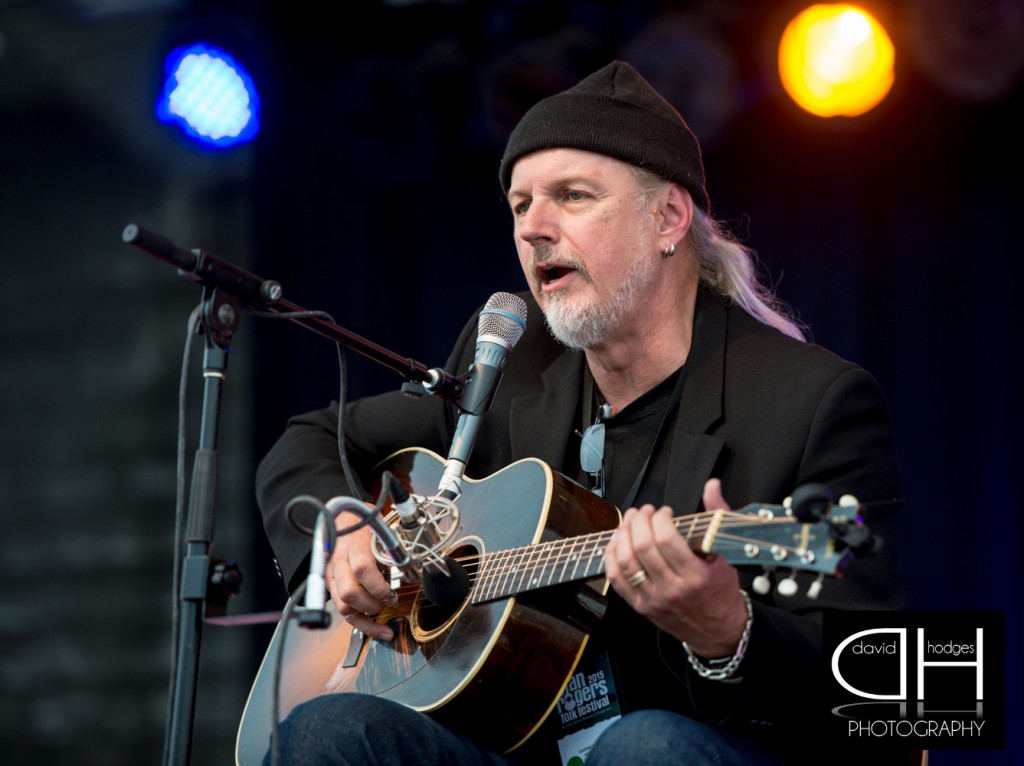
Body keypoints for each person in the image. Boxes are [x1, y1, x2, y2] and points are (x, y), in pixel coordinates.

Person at [254, 61, 903, 765]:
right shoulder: (512, 358)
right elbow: (313, 438)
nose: (533, 228)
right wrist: (344, 535)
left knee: (643, 746)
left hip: (701, 751)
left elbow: (906, 698)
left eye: (572, 195)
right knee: (323, 732)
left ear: (669, 218)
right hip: (520, 745)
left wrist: (730, 635)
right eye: (519, 204)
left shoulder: (812, 401)